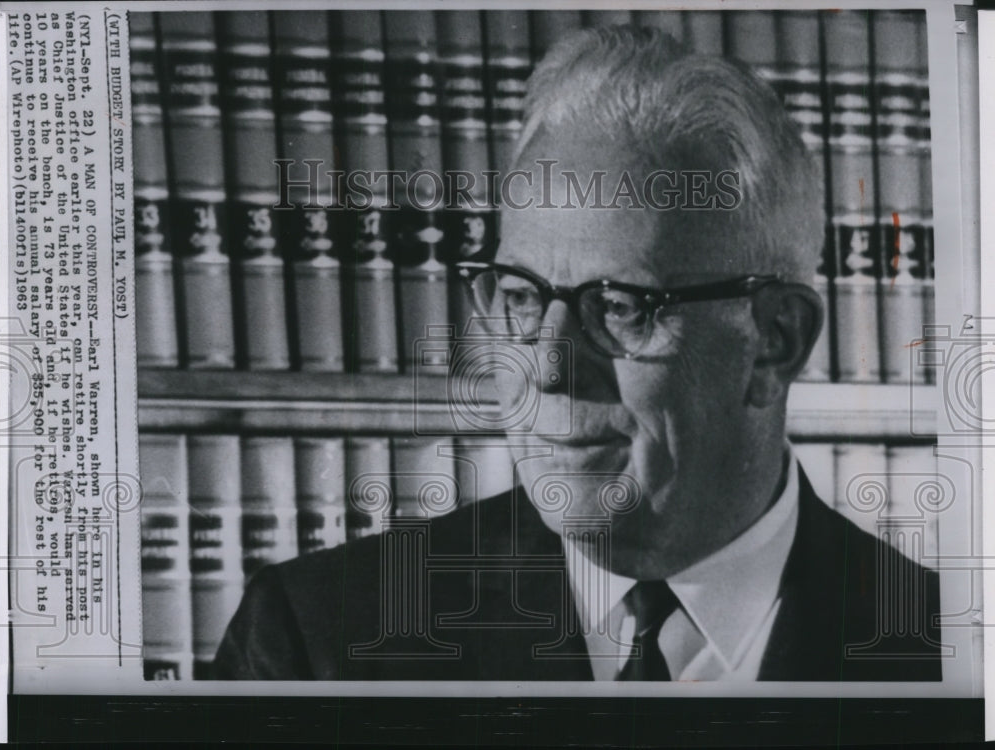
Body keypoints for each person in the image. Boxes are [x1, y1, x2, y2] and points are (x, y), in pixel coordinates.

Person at [211, 25, 942, 681]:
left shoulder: (951, 656)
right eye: (522, 297)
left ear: (775, 343)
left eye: (622, 306)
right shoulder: (315, 643)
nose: (549, 367)